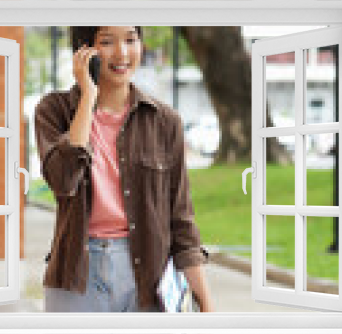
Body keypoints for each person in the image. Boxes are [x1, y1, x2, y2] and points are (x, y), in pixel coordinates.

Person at [35, 26, 215, 313]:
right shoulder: (54, 110)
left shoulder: (165, 121)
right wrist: (87, 99)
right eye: (107, 42)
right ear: (85, 50)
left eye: (131, 40)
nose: (122, 53)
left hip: (146, 272)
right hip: (76, 272)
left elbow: (181, 218)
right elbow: (63, 181)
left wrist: (205, 301)